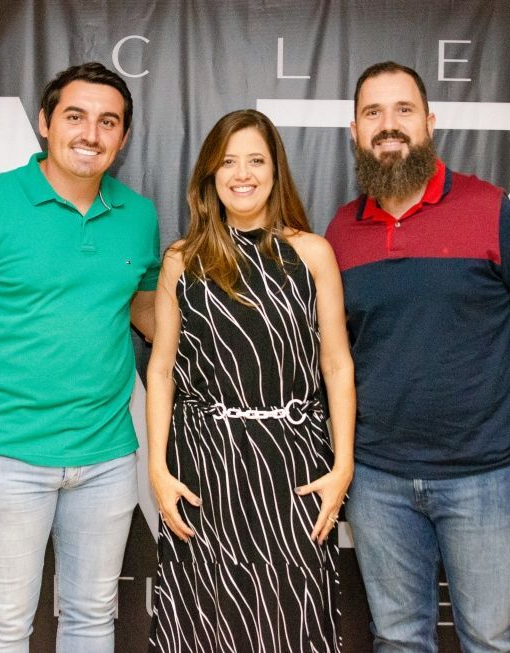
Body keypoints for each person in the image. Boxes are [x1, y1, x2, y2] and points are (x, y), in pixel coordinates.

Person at [325, 62, 510, 652]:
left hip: (485, 478)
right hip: (377, 479)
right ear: (355, 131)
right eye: (373, 113)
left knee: (491, 639)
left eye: (403, 110)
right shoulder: (341, 232)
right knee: (398, 640)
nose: (389, 125)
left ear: (430, 122)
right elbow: (332, 355)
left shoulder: (488, 208)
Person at [0, 62, 159, 652]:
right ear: (45, 123)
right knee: (5, 625)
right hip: (7, 456)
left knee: (93, 617)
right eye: (75, 117)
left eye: (108, 122)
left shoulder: (138, 217)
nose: (91, 134)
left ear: (123, 136)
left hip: (107, 456)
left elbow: (145, 309)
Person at [145, 109, 355, 652]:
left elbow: (336, 364)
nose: (242, 174)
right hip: (204, 465)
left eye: (256, 160)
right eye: (228, 162)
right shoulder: (181, 260)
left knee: (291, 620)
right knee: (204, 623)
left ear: (275, 170)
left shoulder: (312, 254)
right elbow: (162, 369)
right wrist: (158, 470)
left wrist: (343, 467)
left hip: (294, 465)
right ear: (210, 176)